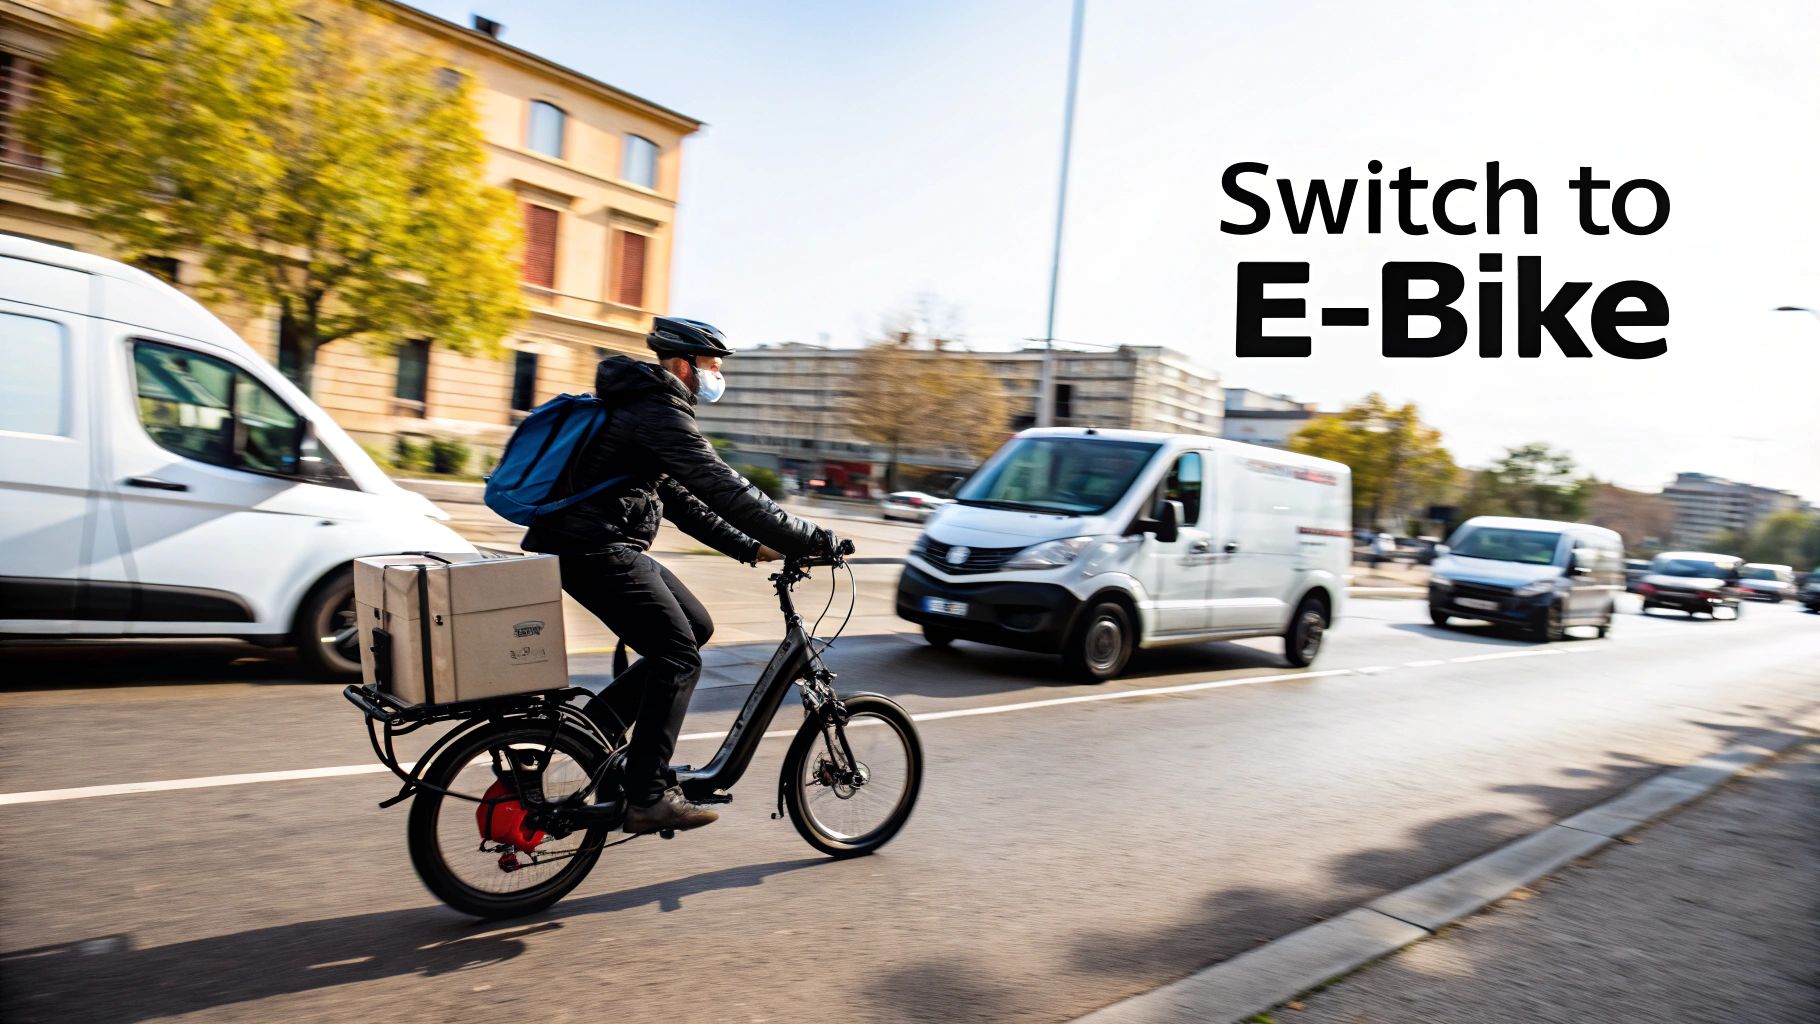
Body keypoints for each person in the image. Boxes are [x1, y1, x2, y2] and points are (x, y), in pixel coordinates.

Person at [521, 317, 832, 834]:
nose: (716, 375)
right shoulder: (657, 411)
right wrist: (808, 536)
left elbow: (679, 499)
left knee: (696, 628)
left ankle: (594, 733)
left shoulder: (647, 407)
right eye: (712, 364)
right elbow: (723, 486)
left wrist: (750, 547)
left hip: (596, 543)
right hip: (595, 547)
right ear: (684, 364)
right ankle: (647, 796)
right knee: (678, 655)